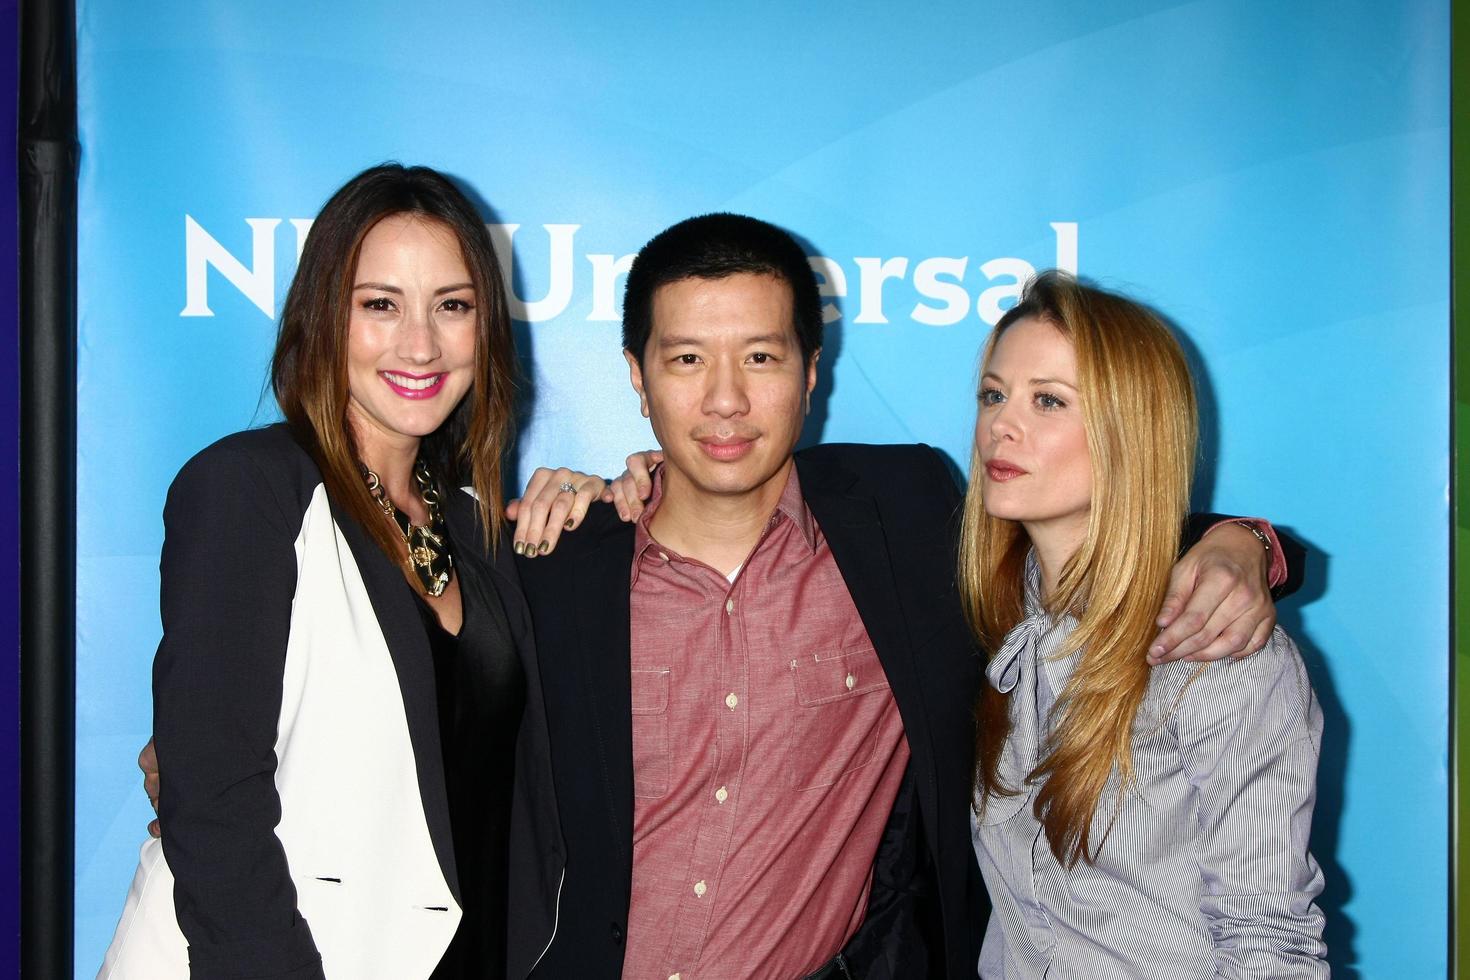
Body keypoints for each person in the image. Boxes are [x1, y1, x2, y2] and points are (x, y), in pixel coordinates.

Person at [511, 213, 1300, 978]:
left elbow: (1112, 524)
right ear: (637, 376)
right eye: (686, 360)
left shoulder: (905, 514)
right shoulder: (555, 567)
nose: (725, 400)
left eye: (760, 357)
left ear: (812, 372)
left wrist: (1249, 543)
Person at [99, 164, 590, 980]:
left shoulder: (472, 525)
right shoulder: (250, 488)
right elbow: (216, 802)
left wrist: (618, 489)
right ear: (324, 316)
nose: (421, 344)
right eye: (380, 305)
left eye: (453, 306)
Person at [963, 272, 1327, 977]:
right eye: (993, 394)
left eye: (1048, 401)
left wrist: (1248, 545)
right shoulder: (998, 620)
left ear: (1129, 432)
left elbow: (1269, 947)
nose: (1002, 424)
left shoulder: (1217, 652)